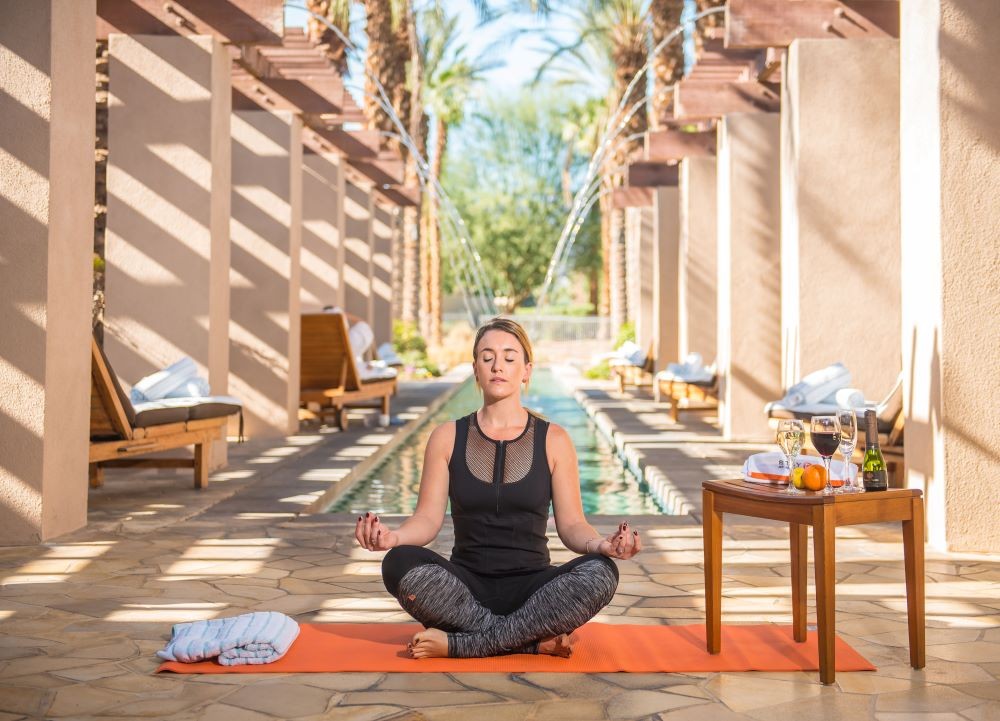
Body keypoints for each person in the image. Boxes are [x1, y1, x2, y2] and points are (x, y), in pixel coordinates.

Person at [354, 317, 642, 659]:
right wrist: (393, 539)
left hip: (535, 590)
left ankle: (466, 643)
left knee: (600, 572)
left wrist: (601, 545)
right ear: (475, 369)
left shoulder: (554, 440)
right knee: (397, 563)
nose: (497, 366)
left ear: (526, 370)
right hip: (465, 589)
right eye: (487, 357)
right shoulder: (446, 437)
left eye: (509, 357)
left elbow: (571, 526)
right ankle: (531, 640)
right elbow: (428, 520)